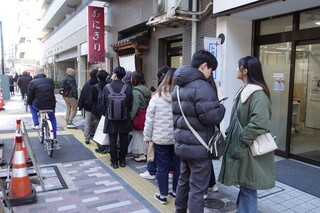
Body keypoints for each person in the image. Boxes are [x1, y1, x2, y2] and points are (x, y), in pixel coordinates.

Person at [218, 56, 275, 213]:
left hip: (248, 149)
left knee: (248, 187)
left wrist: (241, 140)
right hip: (244, 148)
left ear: (245, 71)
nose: (236, 69)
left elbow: (260, 123)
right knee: (245, 185)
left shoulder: (258, 95)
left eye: (238, 67)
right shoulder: (245, 91)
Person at [172, 50, 226, 213]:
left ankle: (179, 210)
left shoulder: (178, 86)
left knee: (183, 181)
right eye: (211, 70)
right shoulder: (203, 86)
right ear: (204, 66)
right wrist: (221, 108)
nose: (210, 74)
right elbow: (210, 118)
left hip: (182, 144)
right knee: (197, 190)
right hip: (199, 146)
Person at [143, 68, 180, 204]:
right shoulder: (181, 96)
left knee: (162, 167)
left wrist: (147, 137)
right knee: (177, 167)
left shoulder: (156, 97)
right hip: (177, 138)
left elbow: (149, 120)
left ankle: (163, 195)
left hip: (160, 139)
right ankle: (176, 191)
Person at [140, 65, 170, 179]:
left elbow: (150, 118)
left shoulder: (158, 95)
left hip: (159, 132)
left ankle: (152, 172)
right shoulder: (178, 92)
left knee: (156, 155)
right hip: (174, 134)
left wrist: (147, 136)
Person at [103, 66, 133, 169]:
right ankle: (123, 161)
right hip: (124, 119)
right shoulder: (128, 88)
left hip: (111, 119)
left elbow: (104, 104)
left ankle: (114, 162)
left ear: (115, 74)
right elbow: (130, 104)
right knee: (124, 140)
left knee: (113, 140)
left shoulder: (107, 87)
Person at [26, 70, 57, 142]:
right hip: (51, 105)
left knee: (31, 106)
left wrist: (29, 103)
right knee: (52, 118)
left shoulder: (33, 82)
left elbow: (30, 95)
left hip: (38, 105)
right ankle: (54, 137)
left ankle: (36, 124)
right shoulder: (50, 81)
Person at [130, 71, 151, 162]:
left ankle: (140, 154)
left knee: (137, 135)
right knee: (144, 134)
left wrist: (130, 118)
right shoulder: (147, 89)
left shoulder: (135, 91)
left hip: (138, 115)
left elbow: (135, 106)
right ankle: (146, 152)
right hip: (146, 114)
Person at [91, 69, 111, 154]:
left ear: (98, 78)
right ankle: (109, 146)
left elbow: (92, 100)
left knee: (99, 130)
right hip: (109, 112)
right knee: (109, 130)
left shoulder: (94, 88)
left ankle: (101, 148)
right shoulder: (110, 86)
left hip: (98, 113)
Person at [78, 69, 99, 144]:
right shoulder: (99, 84)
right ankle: (97, 138)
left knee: (88, 122)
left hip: (88, 106)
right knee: (97, 122)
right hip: (97, 107)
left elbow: (82, 95)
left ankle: (87, 137)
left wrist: (80, 105)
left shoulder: (87, 84)